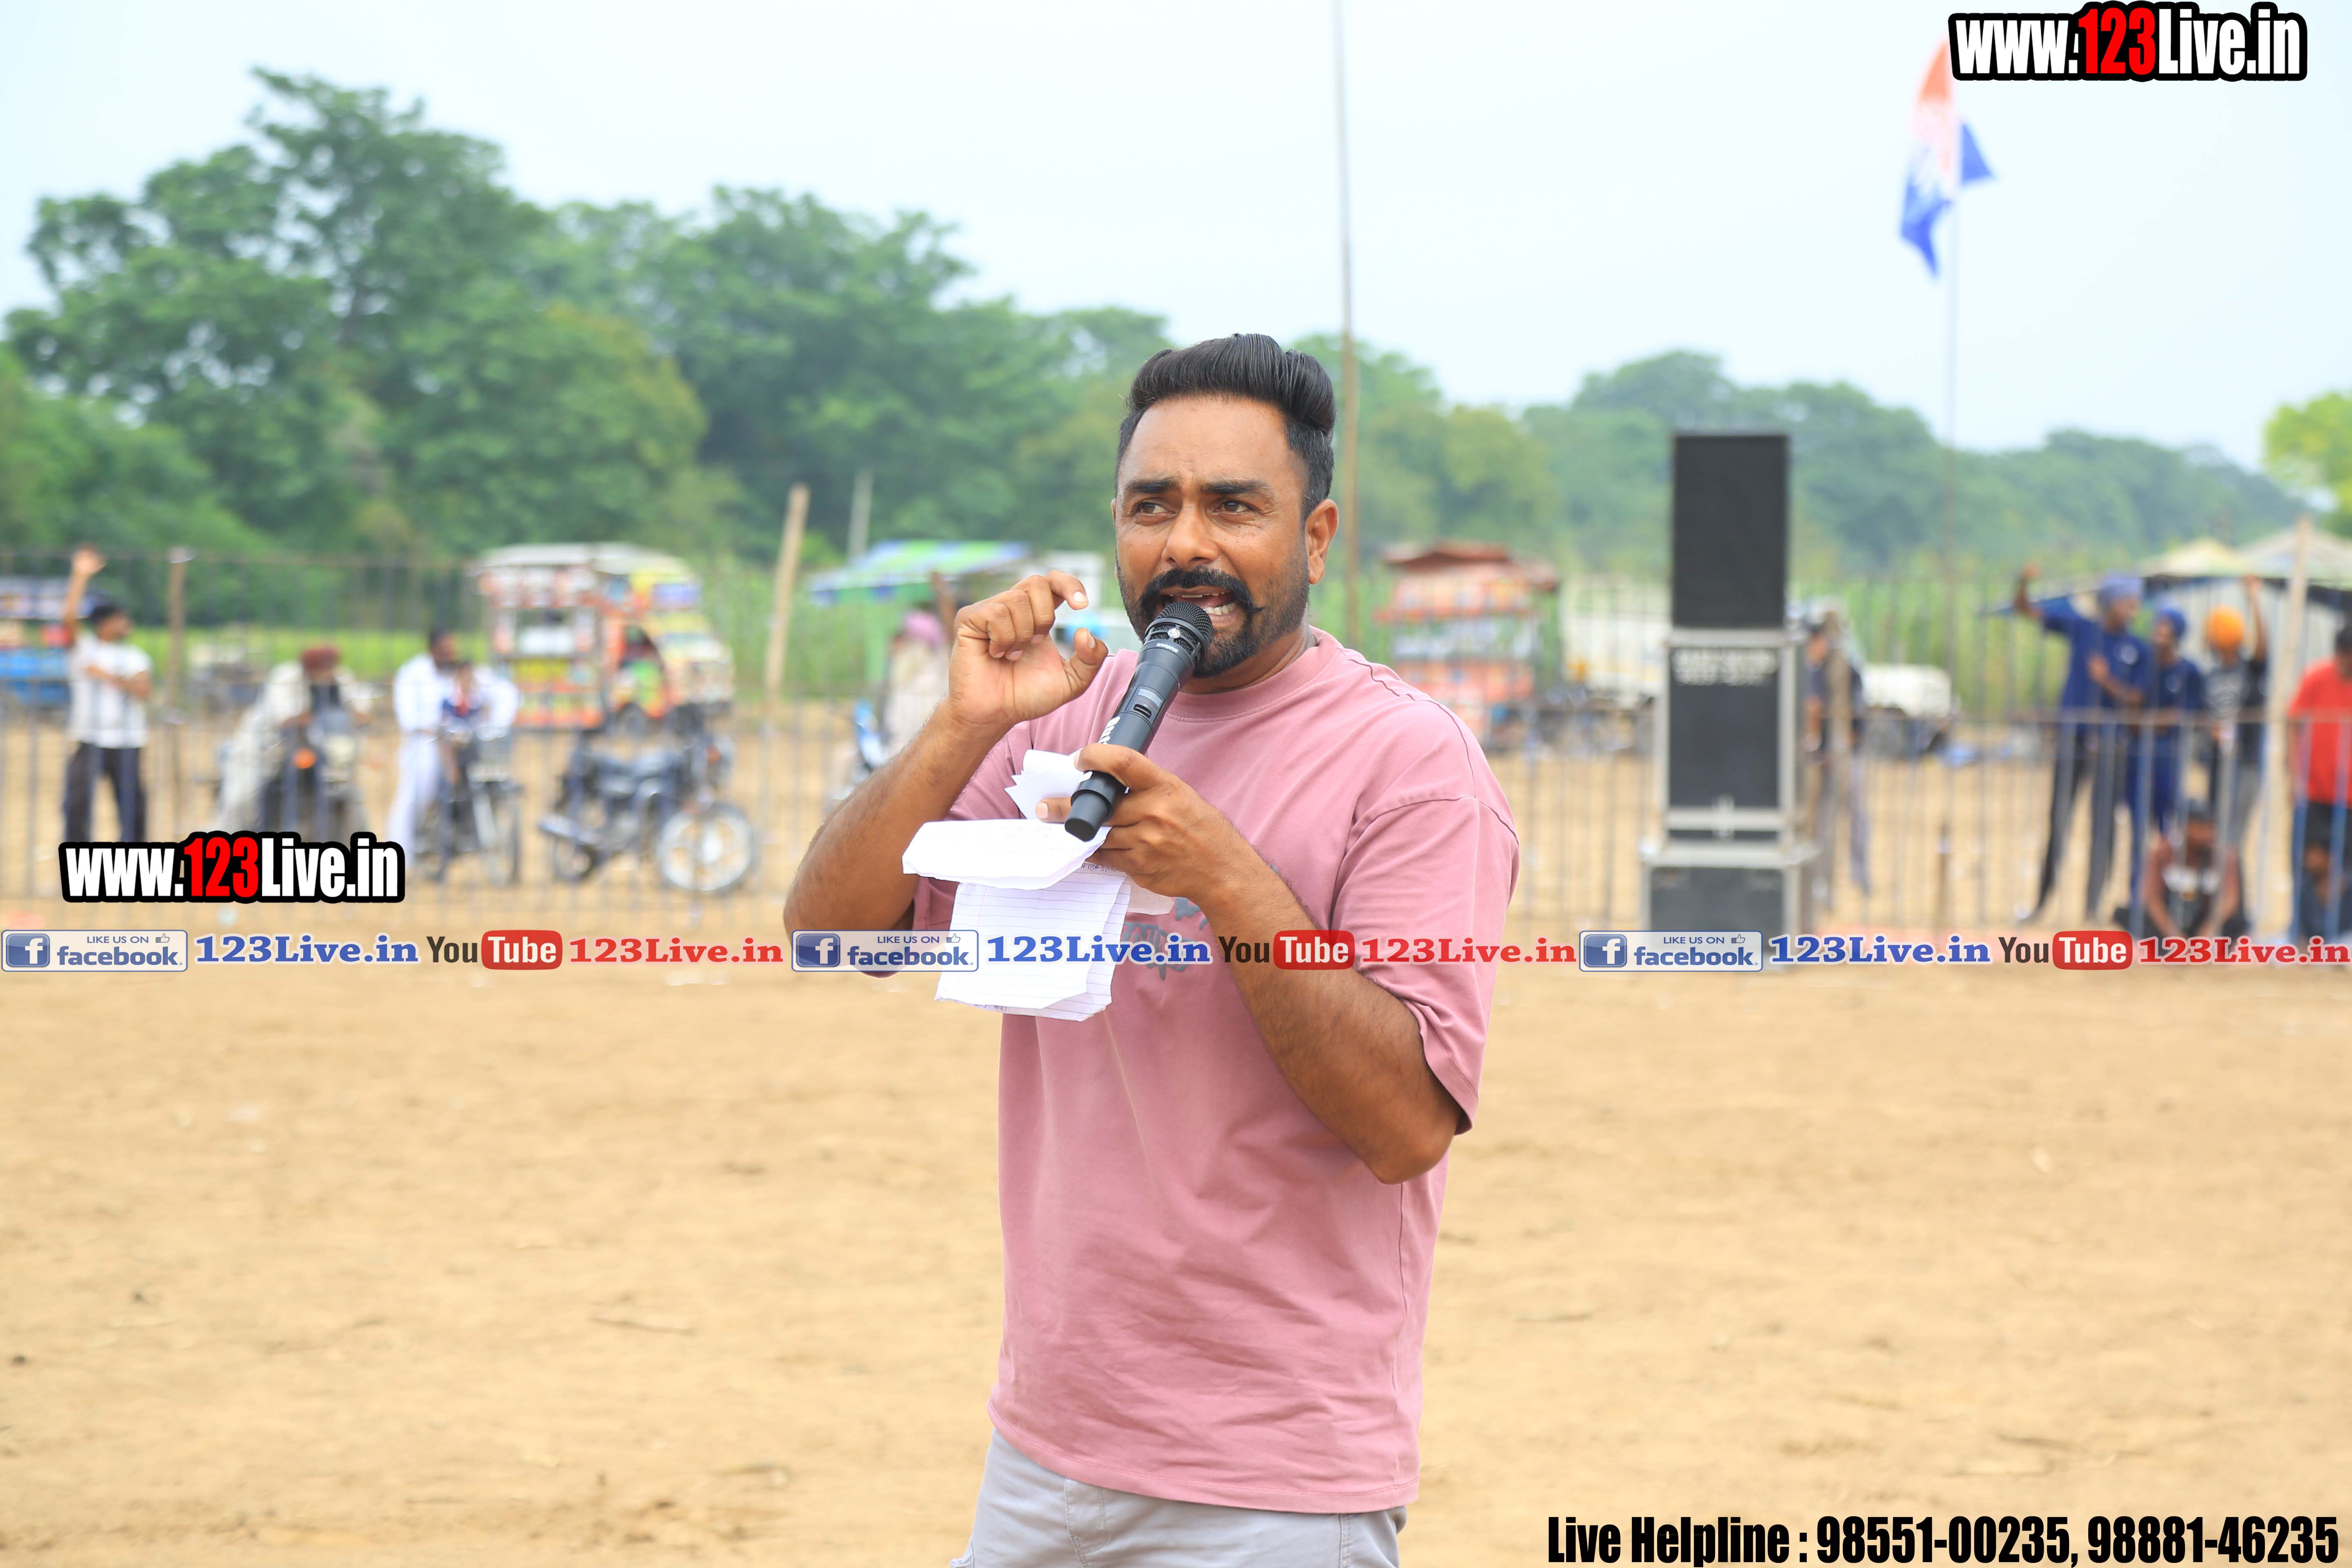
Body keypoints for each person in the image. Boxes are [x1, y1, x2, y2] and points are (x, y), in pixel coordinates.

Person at [786, 334, 1517, 1566]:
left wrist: (1224, 876)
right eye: (1149, 506)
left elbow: (1405, 1126)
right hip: (1045, 1445)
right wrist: (963, 724)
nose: (1186, 543)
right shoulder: (1063, 713)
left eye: (1234, 505)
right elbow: (830, 934)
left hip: (1272, 1481)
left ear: (1316, 537)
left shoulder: (1412, 764)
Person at [2016, 566, 2150, 919]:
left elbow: (2137, 698)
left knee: (2103, 826)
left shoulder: (2137, 648)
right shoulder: (2082, 629)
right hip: (2072, 738)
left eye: (2134, 602)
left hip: (2111, 745)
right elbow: (2027, 610)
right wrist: (2024, 582)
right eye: (2126, 601)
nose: (2132, 608)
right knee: (2059, 820)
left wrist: (2106, 681)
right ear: (2109, 602)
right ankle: (2042, 902)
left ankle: (2092, 909)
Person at [215, 644, 369, 830]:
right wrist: (324, 713)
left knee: (349, 794)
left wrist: (348, 714)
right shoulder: (287, 676)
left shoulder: (340, 677)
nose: (326, 672)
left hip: (313, 749)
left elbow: (362, 712)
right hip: (261, 751)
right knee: (242, 803)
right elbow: (285, 720)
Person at [2116, 601, 2204, 921]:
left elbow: (2179, 717)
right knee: (2137, 835)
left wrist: (2150, 721)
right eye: (2157, 628)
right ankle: (2138, 900)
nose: (2158, 635)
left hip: (2168, 762)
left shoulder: (2188, 672)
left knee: (2170, 835)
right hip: (2138, 762)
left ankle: (2170, 901)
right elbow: (2133, 713)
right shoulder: (2143, 666)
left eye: (2165, 630)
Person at [60, 546, 151, 842]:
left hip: (127, 739)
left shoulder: (136, 656)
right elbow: (69, 620)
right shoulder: (86, 649)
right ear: (106, 623)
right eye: (121, 619)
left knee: (133, 806)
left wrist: (107, 676)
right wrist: (80, 576)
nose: (126, 624)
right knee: (76, 803)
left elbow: (143, 690)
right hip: (90, 736)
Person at [2285, 625, 2352, 942]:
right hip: (2316, 791)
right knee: (2307, 861)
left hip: (2349, 797)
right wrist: (2293, 774)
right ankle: (2303, 931)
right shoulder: (2316, 678)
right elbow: (2293, 723)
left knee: (2345, 867)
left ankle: (2342, 932)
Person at [1801, 615, 1870, 896]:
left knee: (1856, 814)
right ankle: (1823, 882)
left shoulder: (1849, 672)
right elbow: (1813, 710)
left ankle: (1860, 875)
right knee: (1825, 819)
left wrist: (1847, 743)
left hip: (1847, 756)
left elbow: (1858, 715)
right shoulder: (1814, 672)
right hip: (1826, 758)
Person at [2199, 579, 2269, 853]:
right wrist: (2211, 730)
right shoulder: (2212, 675)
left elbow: (2263, 646)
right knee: (2216, 835)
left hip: (2245, 762)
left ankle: (2234, 882)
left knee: (2233, 840)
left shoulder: (2251, 669)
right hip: (2219, 763)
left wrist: (2253, 599)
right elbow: (2205, 715)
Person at [2117, 800, 2244, 942]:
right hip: (2170, 922)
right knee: (2129, 916)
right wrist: (2175, 936)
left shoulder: (2224, 857)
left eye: (2211, 827)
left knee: (2239, 924)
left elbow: (2230, 901)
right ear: (2185, 827)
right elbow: (2151, 899)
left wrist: (2207, 932)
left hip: (2207, 922)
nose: (2208, 833)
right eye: (2201, 827)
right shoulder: (2163, 854)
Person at [383, 628, 457, 854]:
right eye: (445, 651)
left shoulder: (453, 672)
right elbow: (407, 718)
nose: (450, 655)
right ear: (433, 649)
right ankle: (400, 850)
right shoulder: (413, 673)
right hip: (423, 745)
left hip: (452, 743)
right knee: (415, 797)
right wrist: (429, 728)